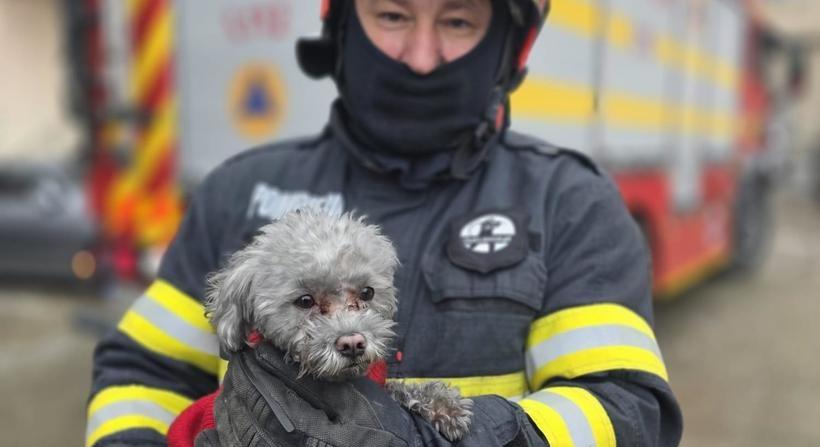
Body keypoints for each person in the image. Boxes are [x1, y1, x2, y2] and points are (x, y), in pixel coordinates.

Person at [86, 0, 683, 446]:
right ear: (342, 24)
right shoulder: (235, 193)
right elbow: (142, 372)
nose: (422, 59)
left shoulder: (570, 202)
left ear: (507, 47)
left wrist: (427, 439)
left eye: (457, 22)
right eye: (393, 14)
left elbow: (625, 410)